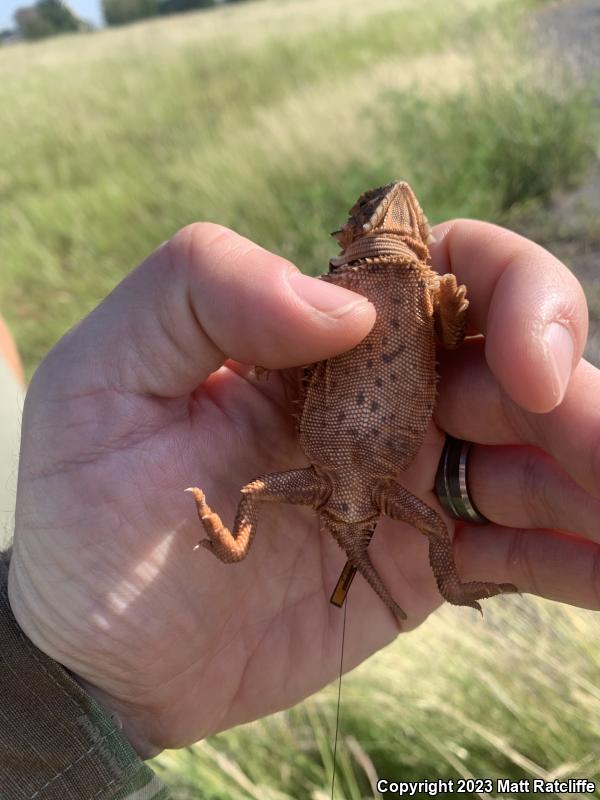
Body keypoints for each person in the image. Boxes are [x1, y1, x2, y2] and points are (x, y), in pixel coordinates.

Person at [1, 219, 599, 798]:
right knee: (259, 492)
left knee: (296, 500)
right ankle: (239, 548)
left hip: (349, 475)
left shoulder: (410, 286)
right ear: (349, 237)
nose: (393, 207)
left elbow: (444, 335)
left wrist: (447, 304)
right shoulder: (347, 286)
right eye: (370, 210)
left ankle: (453, 584)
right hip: (342, 476)